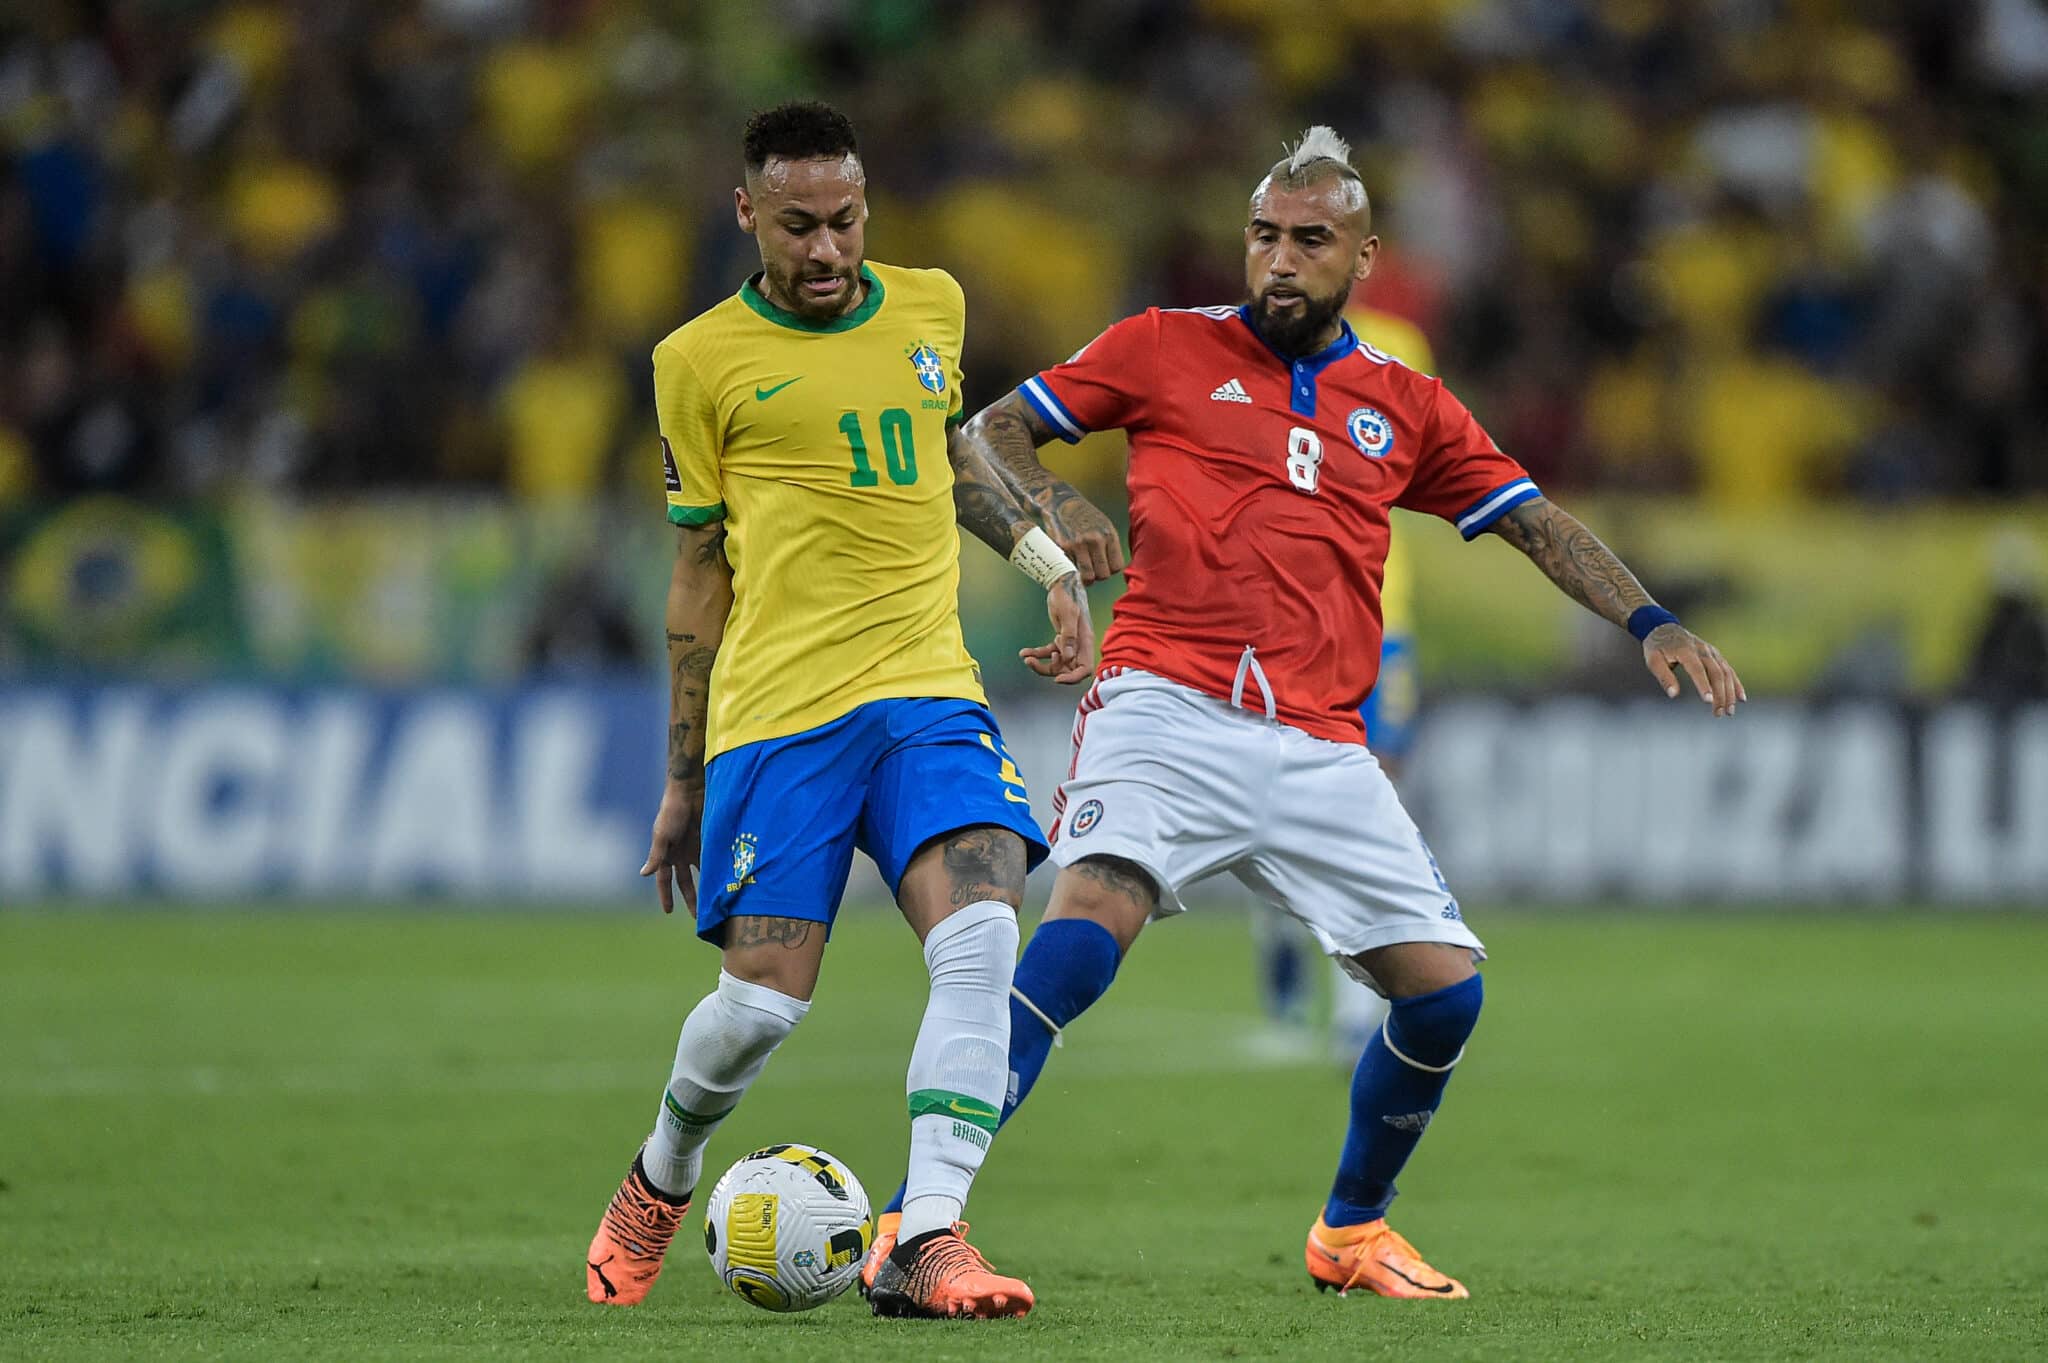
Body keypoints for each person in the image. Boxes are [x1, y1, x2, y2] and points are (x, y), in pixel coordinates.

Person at [865, 126, 1744, 1300]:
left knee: (1444, 993)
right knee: (1078, 937)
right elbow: (989, 430)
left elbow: (1535, 521)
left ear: (1362, 256)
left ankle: (1351, 1230)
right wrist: (1058, 509)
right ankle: (918, 1222)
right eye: (1264, 236)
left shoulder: (1405, 403)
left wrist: (1652, 622)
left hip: (1323, 740)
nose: (1279, 260)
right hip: (1163, 703)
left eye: (1309, 241)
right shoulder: (1161, 348)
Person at [584, 101, 1096, 1321]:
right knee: (760, 1004)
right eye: (799, 226)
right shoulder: (695, 360)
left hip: (926, 692)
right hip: (780, 711)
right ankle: (661, 1175)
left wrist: (1045, 563)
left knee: (981, 934)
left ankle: (926, 1237)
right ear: (747, 214)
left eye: (846, 222)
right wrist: (682, 776)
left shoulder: (932, 304)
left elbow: (950, 458)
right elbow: (698, 574)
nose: (825, 252)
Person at [1253, 306, 1430, 1065]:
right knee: (1268, 804)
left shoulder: (1402, 344)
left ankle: (1361, 1011)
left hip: (1381, 619)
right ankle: (1285, 962)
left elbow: (1416, 460)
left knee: (1372, 803)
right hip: (1283, 618)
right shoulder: (1253, 337)